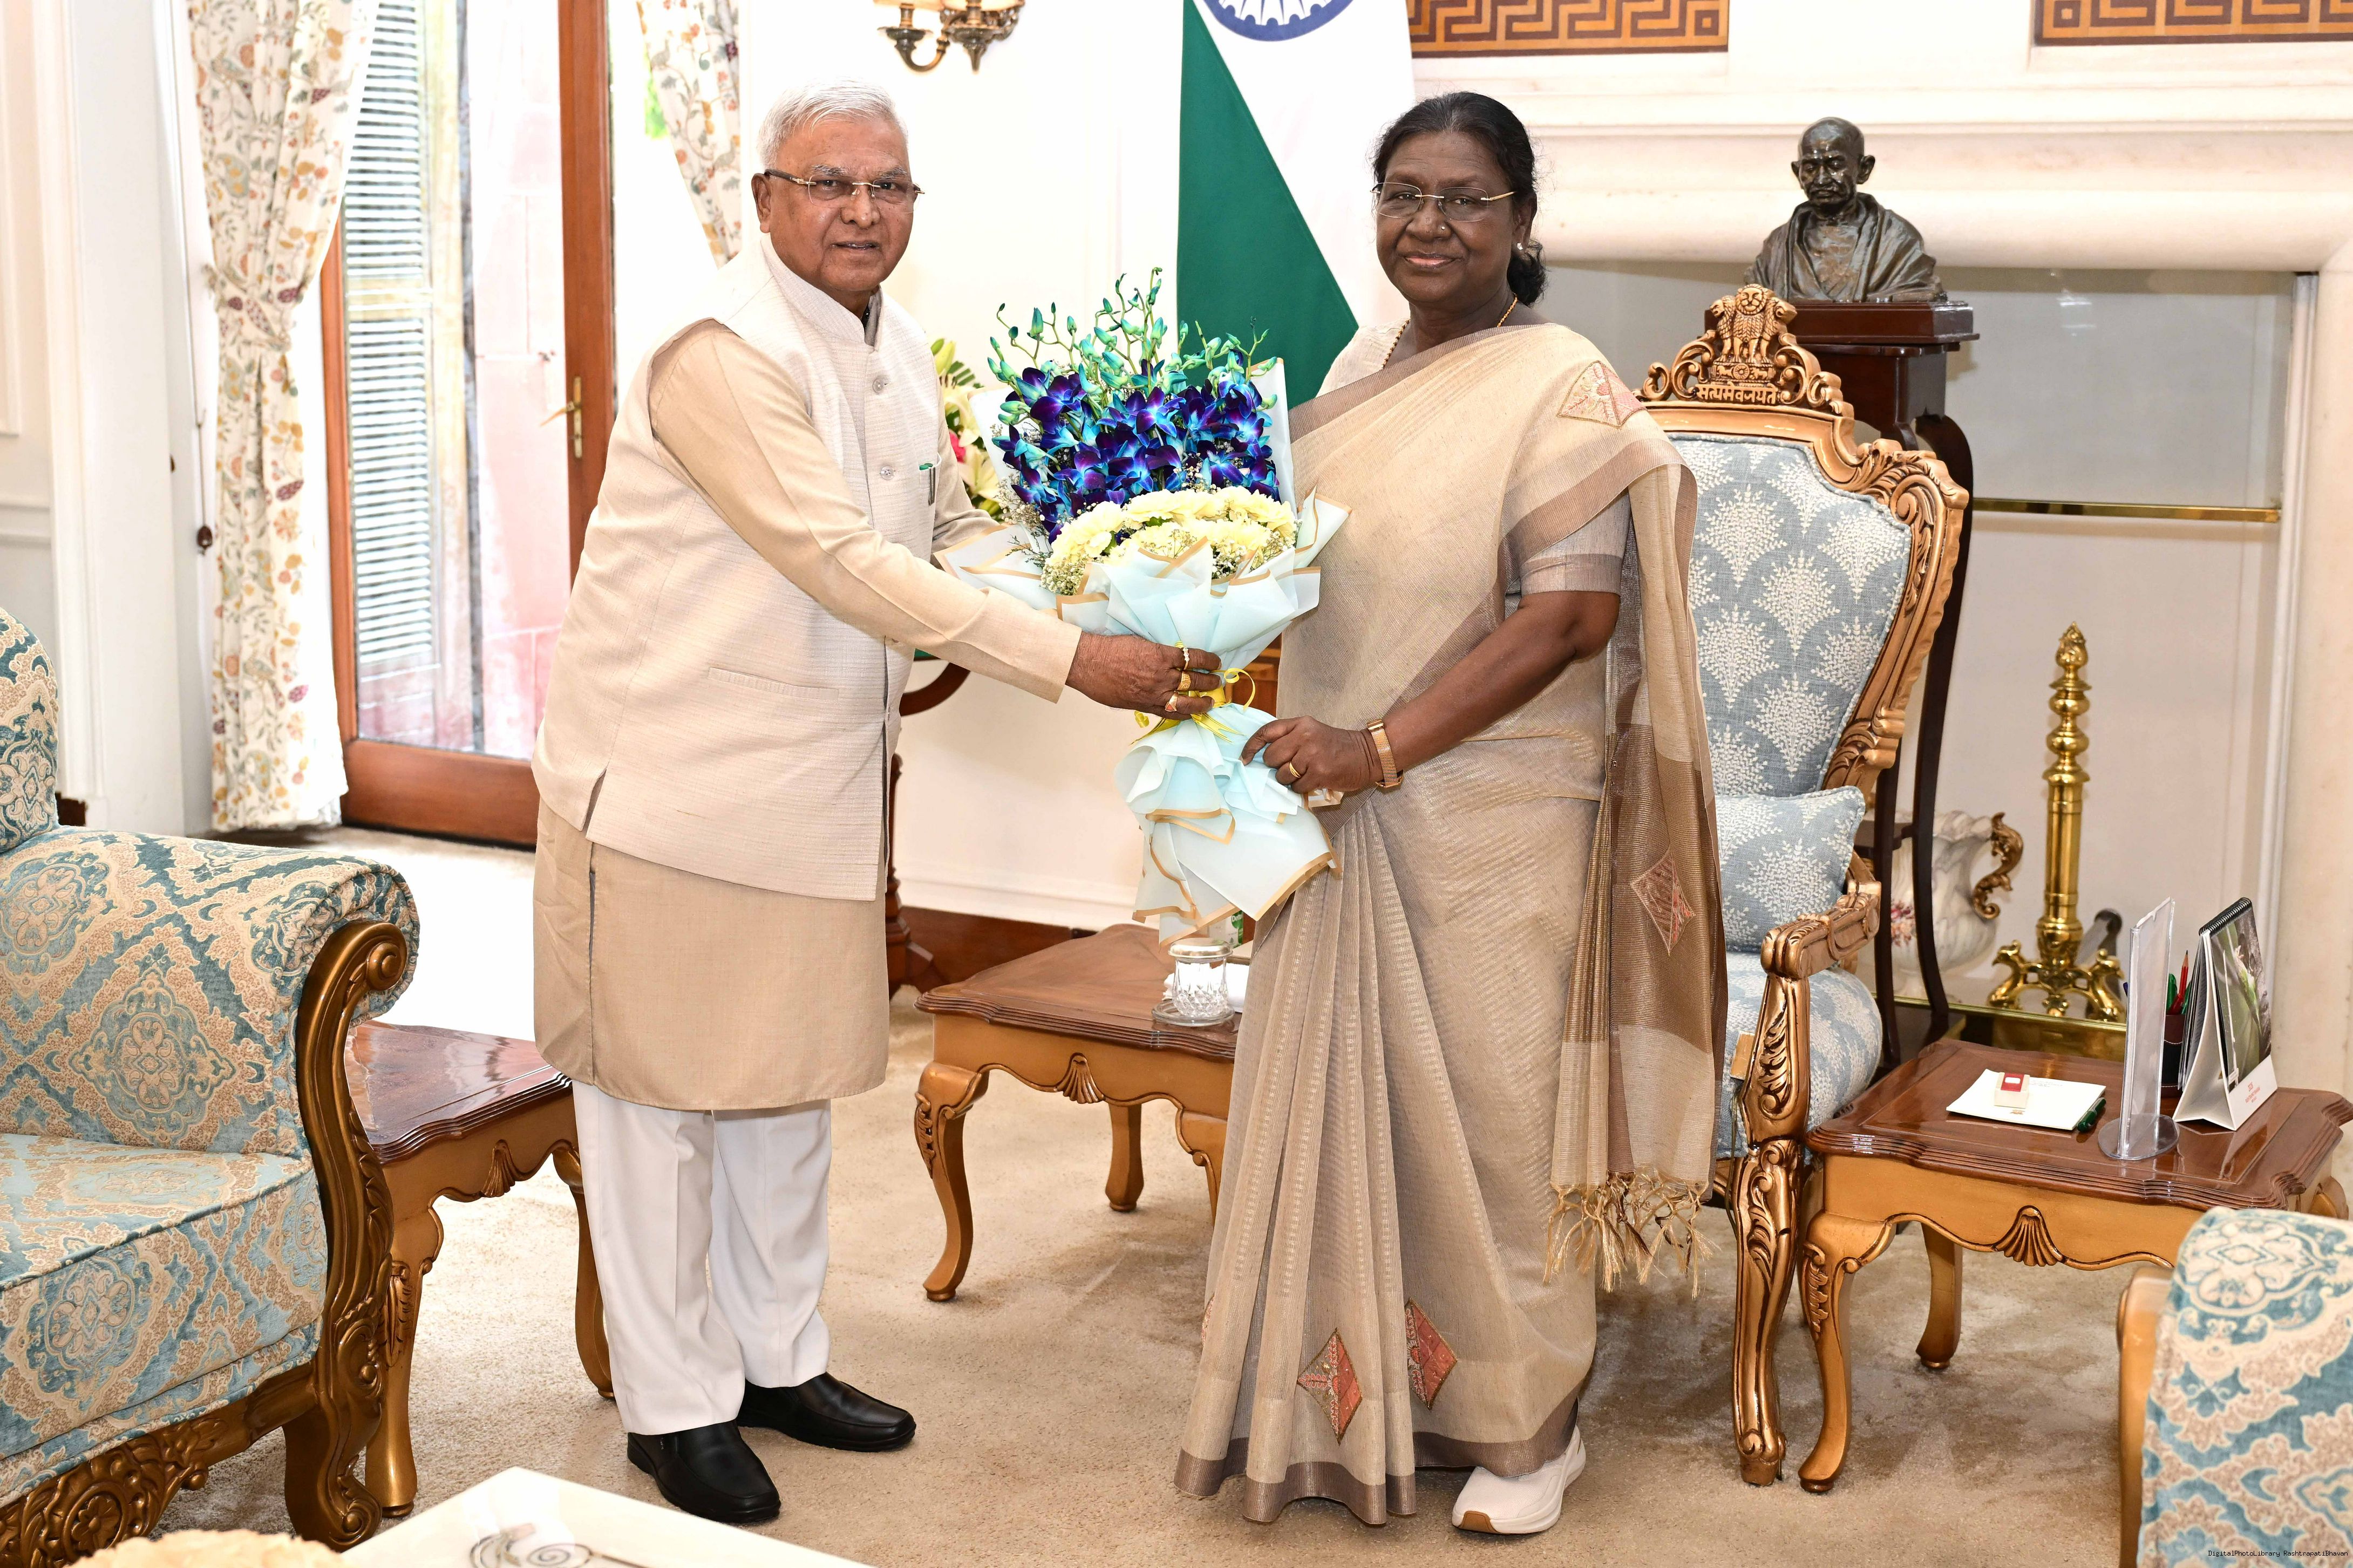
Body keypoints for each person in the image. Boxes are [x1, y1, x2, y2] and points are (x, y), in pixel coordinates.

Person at [531, 80, 1220, 1526]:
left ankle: (777, 1360)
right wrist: (1070, 660)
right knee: (658, 1109)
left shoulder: (888, 337)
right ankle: (673, 1407)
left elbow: (952, 525)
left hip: (810, 791)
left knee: (782, 1089)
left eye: (887, 187)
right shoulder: (718, 352)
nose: (861, 211)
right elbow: (841, 559)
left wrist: (1088, 584)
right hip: (667, 792)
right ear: (764, 199)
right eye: (829, 183)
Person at [1175, 92, 1725, 1536]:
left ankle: (1531, 1428)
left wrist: (1376, 747)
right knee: (1352, 1117)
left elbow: (1568, 619)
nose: (1429, 224)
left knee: (1489, 1126)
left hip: (1491, 817)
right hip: (1334, 802)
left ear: (1522, 220)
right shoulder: (1357, 369)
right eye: (1404, 193)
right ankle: (1369, 1403)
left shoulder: (1562, 385)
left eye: (1466, 198)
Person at [1744, 116, 1943, 302]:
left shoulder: (1897, 240)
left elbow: (1918, 297)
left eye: (1835, 165)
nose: (1821, 179)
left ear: (1864, 169)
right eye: (1811, 168)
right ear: (1798, 173)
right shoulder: (1776, 248)